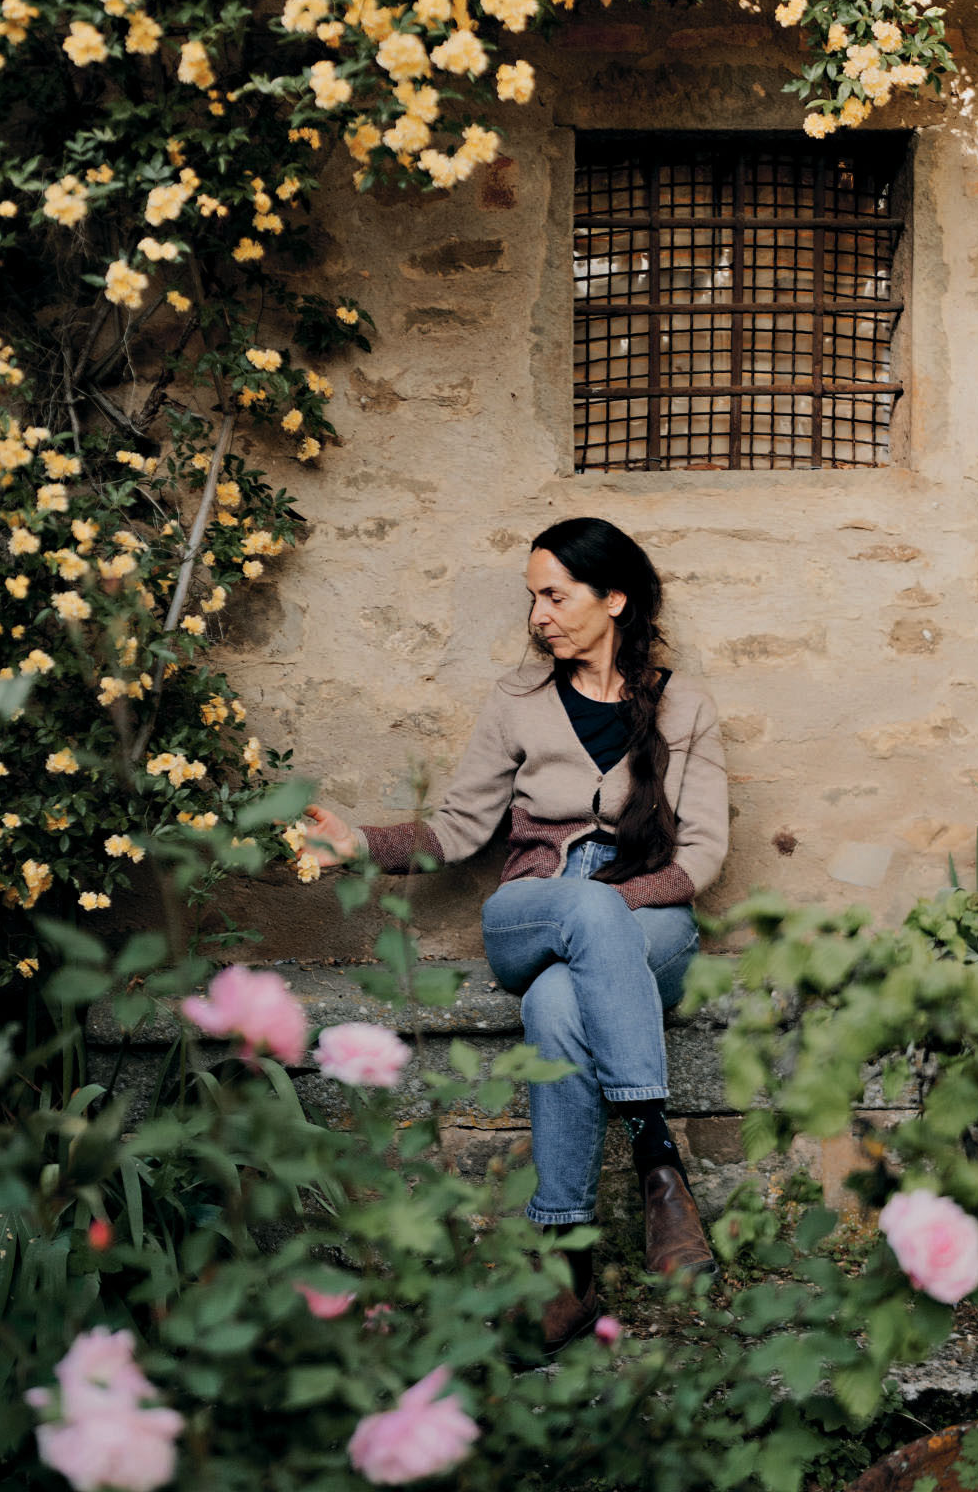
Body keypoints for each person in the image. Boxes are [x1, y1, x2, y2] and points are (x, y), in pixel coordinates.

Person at [306, 516, 729, 1354]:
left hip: (649, 927)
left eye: (556, 596)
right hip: (531, 910)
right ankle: (658, 1161)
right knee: (579, 919)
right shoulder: (517, 701)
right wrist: (360, 845)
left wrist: (615, 901)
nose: (539, 615)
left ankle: (562, 1267)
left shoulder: (682, 708)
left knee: (559, 1004)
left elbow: (703, 854)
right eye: (533, 598)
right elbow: (459, 827)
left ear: (613, 599)